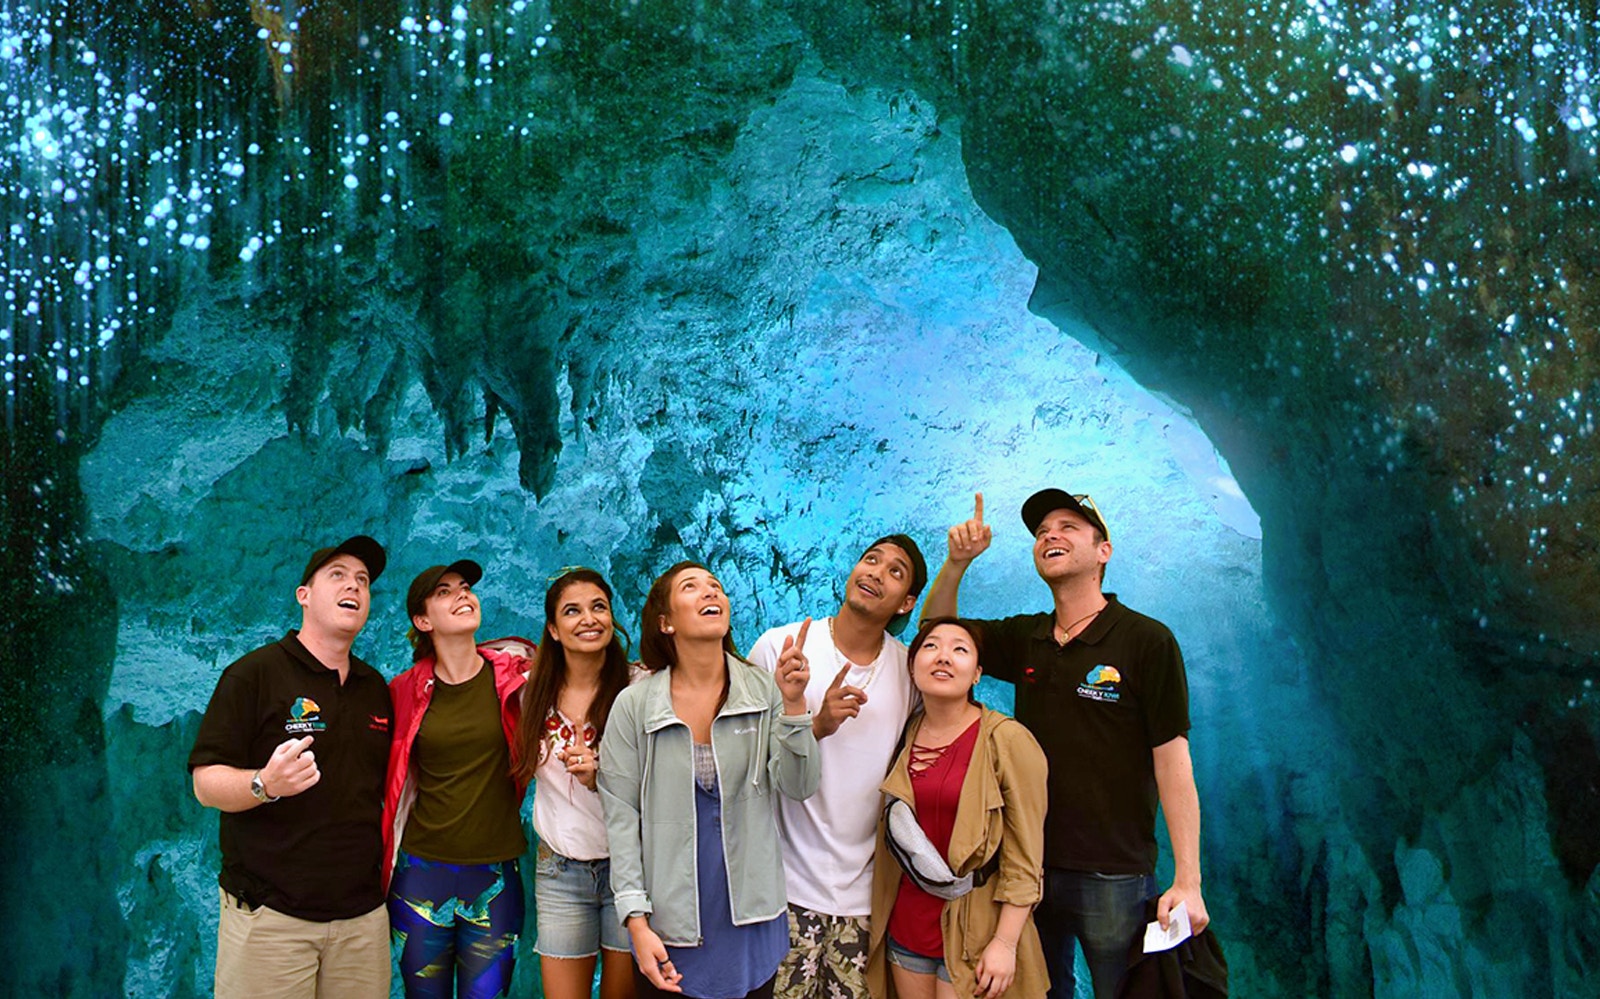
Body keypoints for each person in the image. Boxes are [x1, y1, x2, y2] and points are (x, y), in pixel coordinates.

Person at [922, 491, 1209, 999]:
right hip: (1028, 870)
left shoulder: (1147, 641)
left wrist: (1188, 879)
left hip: (1115, 874)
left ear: (1104, 551)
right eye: (1041, 531)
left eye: (1068, 527)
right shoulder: (1027, 637)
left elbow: (1172, 761)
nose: (1050, 535)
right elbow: (937, 636)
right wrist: (956, 564)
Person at [599, 561, 821, 999]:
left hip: (751, 920)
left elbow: (799, 786)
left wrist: (794, 707)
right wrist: (636, 922)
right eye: (691, 587)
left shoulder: (764, 691)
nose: (710, 593)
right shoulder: (634, 705)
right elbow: (621, 821)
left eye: (716, 586)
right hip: (669, 925)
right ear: (665, 622)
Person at [188, 535, 393, 999]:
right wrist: (265, 783)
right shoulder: (254, 675)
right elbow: (205, 782)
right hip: (271, 921)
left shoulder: (374, 688)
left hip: (361, 923)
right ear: (304, 595)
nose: (354, 587)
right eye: (337, 575)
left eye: (363, 580)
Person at [747, 535, 928, 999]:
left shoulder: (908, 672)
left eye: (894, 571)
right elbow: (745, 766)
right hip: (782, 891)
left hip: (863, 898)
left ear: (907, 602)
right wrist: (815, 723)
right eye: (871, 560)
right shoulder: (777, 648)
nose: (875, 573)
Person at [865, 617, 1049, 999]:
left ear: (978, 673)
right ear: (913, 667)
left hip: (977, 933)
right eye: (931, 647)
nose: (944, 657)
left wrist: (1006, 942)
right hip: (908, 927)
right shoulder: (904, 733)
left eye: (960, 649)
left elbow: (1025, 858)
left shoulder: (1008, 740)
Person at [382, 559, 533, 999]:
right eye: (444, 592)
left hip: (496, 875)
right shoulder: (402, 691)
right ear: (423, 620)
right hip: (420, 875)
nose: (462, 595)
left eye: (465, 587)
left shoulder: (516, 678)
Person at [512, 568, 640, 999]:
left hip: (630, 870)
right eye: (572, 611)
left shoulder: (639, 690)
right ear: (553, 628)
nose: (588, 618)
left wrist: (600, 778)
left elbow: (664, 787)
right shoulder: (528, 694)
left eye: (598, 607)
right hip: (560, 869)